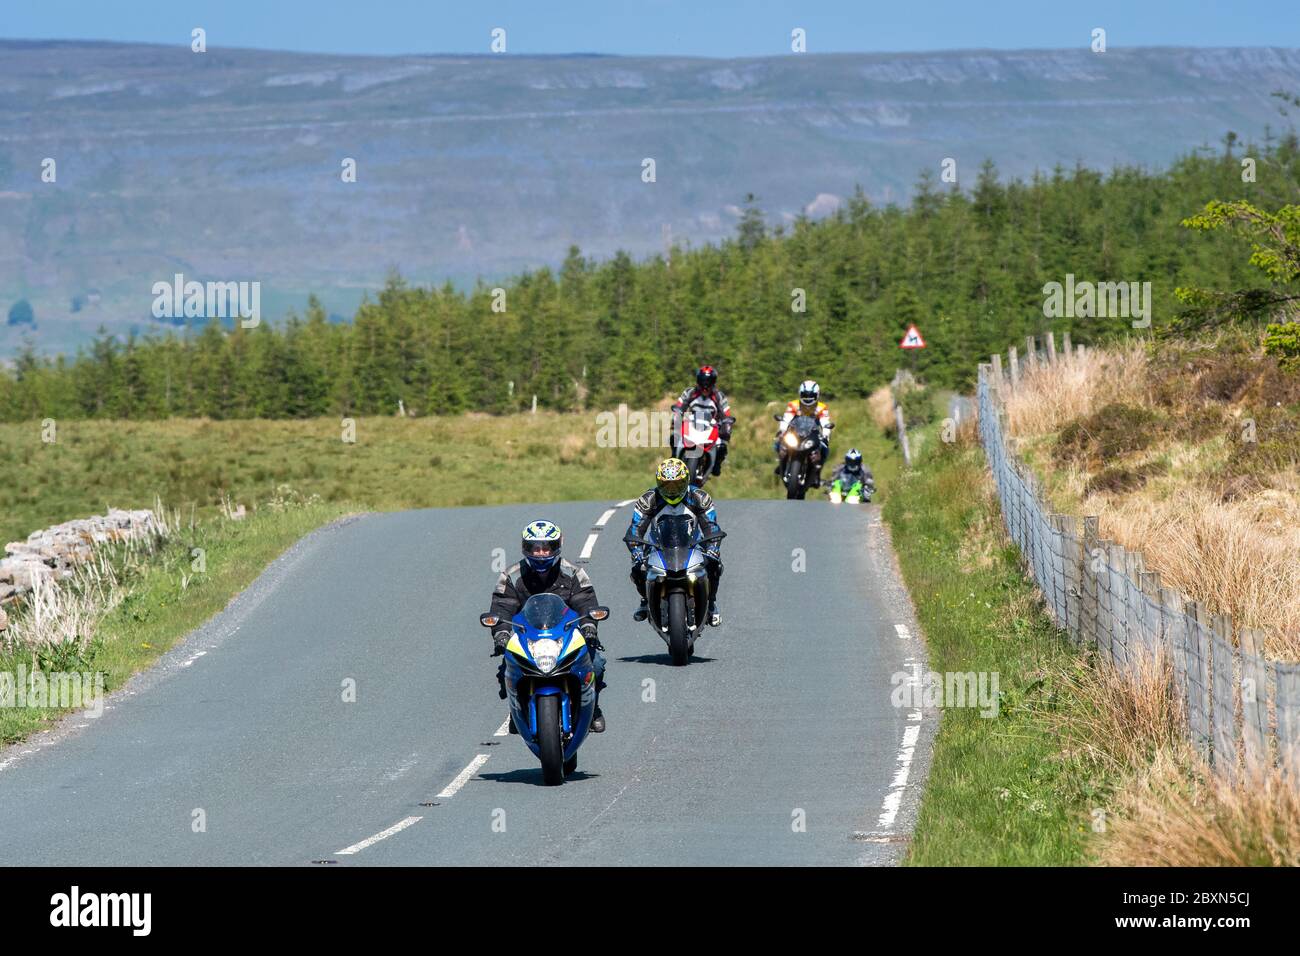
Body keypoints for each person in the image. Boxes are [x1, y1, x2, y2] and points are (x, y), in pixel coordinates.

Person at [488, 520, 608, 733]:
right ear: (526, 548)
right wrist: (501, 634)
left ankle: (593, 708)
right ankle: (518, 710)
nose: (541, 553)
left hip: (566, 636)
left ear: (556, 547)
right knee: (508, 668)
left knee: (595, 663)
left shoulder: (573, 573)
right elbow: (501, 608)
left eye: (546, 547)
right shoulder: (512, 575)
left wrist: (589, 626)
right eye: (536, 548)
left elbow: (586, 603)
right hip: (528, 638)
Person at [625, 458, 725, 626]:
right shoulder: (648, 500)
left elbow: (711, 527)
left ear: (686, 481)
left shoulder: (699, 497)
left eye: (677, 485)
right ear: (658, 483)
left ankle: (711, 605)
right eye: (666, 485)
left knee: (715, 563)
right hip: (658, 545)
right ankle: (645, 600)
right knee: (638, 567)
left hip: (692, 544)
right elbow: (635, 528)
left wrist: (713, 547)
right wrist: (637, 551)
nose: (671, 491)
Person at [670, 365, 735, 477]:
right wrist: (677, 415)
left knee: (722, 445)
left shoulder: (719, 397)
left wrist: (727, 423)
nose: (705, 386)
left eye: (708, 382)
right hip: (692, 424)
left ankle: (716, 465)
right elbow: (680, 405)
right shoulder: (690, 392)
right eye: (702, 381)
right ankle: (674, 456)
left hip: (712, 426)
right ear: (698, 381)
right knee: (674, 436)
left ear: (713, 382)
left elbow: (726, 413)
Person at [774, 379, 832, 481]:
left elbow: (825, 422)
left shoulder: (822, 408)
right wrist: (782, 430)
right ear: (800, 394)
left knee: (825, 448)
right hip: (795, 431)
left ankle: (817, 472)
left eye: (811, 395)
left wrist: (826, 435)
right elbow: (786, 418)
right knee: (779, 442)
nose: (808, 398)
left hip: (813, 432)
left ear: (817, 395)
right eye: (805, 395)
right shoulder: (793, 405)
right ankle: (782, 462)